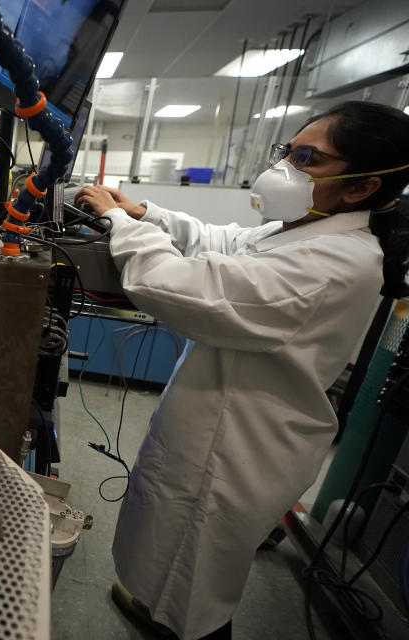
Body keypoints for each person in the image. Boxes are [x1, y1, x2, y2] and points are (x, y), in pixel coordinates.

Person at [74, 101, 409, 640]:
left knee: (195, 589)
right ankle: (157, 610)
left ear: (360, 188)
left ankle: (178, 626)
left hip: (237, 449)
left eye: (308, 159)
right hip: (219, 423)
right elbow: (227, 244)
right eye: (288, 151)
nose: (286, 168)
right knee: (175, 558)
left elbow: (177, 287)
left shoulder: (335, 262)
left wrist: (118, 224)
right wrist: (145, 215)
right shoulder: (306, 231)